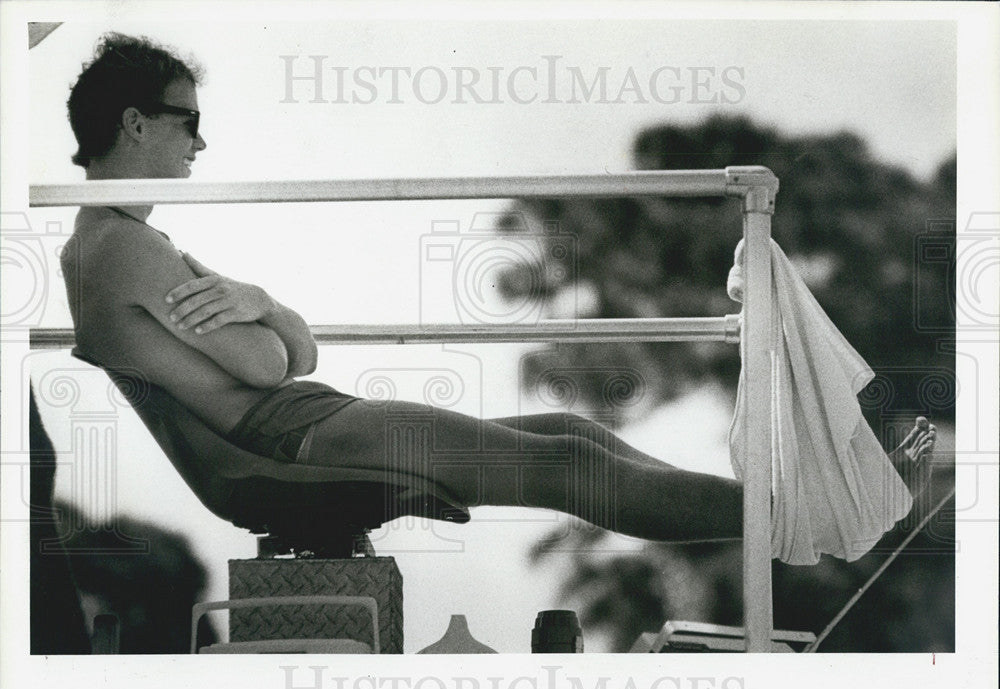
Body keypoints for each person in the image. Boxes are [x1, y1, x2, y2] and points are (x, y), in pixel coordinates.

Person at [61, 33, 936, 547]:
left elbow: (294, 347)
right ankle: (808, 519)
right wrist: (264, 313)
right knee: (565, 464)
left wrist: (263, 303)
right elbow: (263, 363)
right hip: (289, 435)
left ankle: (793, 511)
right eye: (188, 122)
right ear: (136, 123)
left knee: (570, 431)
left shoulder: (111, 244)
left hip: (299, 416)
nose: (199, 146)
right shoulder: (125, 249)